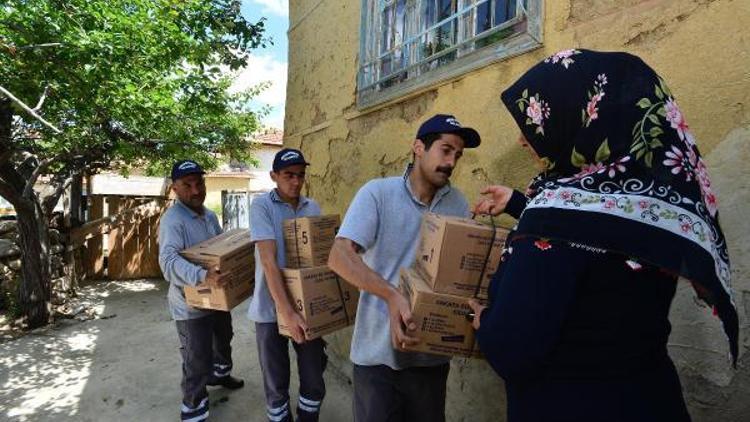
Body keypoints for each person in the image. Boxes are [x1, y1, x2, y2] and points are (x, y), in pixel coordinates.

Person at [468, 49, 739, 422]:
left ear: (579, 118)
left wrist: (486, 325)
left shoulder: (551, 220)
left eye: (534, 121)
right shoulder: (653, 209)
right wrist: (519, 203)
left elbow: (514, 349)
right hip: (651, 400)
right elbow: (596, 240)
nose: (522, 140)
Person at [328, 114, 481, 422]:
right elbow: (339, 255)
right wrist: (392, 295)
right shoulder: (378, 193)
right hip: (377, 357)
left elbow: (460, 276)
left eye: (458, 155)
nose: (451, 162)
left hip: (430, 359)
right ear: (418, 148)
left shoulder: (459, 205)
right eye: (446, 150)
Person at [158, 159, 245, 422]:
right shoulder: (173, 221)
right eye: (188, 185)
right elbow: (168, 262)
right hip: (190, 304)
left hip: (216, 299)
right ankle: (194, 408)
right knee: (196, 357)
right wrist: (202, 276)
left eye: (200, 184)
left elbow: (219, 248)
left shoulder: (208, 215)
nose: (196, 191)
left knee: (223, 338)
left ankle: (219, 375)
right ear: (175, 188)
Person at [247, 148, 327, 422]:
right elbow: (269, 262)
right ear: (274, 176)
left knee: (313, 373)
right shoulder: (262, 206)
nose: (295, 182)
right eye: (288, 175)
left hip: (307, 306)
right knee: (276, 378)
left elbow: (319, 257)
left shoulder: (311, 207)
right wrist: (287, 313)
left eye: (300, 175)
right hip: (271, 308)